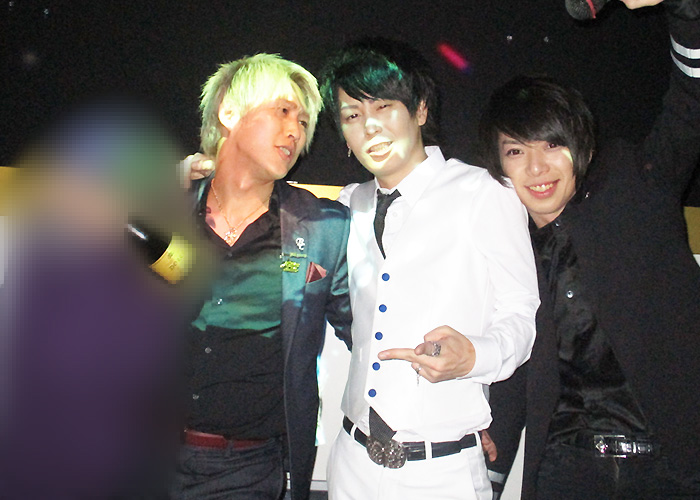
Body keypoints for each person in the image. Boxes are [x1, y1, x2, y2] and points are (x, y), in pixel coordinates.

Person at [478, 0, 700, 498]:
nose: (537, 167)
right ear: (498, 165)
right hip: (568, 467)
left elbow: (692, 102)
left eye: (551, 145)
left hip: (676, 462)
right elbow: (514, 365)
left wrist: (686, 12)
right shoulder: (506, 250)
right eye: (516, 151)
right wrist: (489, 469)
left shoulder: (635, 187)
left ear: (581, 146)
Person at [319, 39, 539, 500]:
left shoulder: (483, 192)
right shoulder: (348, 204)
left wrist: (475, 356)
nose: (370, 126)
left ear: (420, 109)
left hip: (442, 473)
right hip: (350, 462)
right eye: (352, 115)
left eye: (384, 106)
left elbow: (522, 311)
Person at [172, 53, 352, 500]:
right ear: (229, 112)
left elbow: (369, 331)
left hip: (246, 471)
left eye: (304, 122)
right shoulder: (165, 209)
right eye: (283, 111)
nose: (296, 131)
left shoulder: (323, 228)